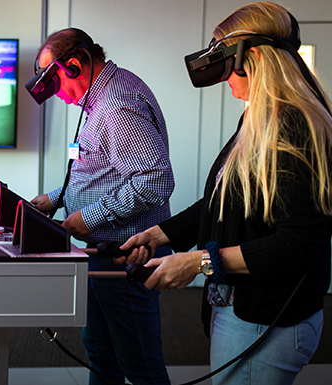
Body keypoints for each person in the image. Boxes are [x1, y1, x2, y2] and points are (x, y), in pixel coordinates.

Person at [121, 2, 332, 384]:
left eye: (223, 59)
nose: (220, 76)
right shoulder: (259, 117)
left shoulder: (293, 128)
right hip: (243, 310)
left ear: (250, 58)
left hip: (267, 318)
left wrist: (199, 262)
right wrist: (159, 235)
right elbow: (226, 198)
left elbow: (299, 244)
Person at [28, 28, 174, 385]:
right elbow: (100, 170)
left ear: (75, 65)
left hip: (125, 256)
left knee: (139, 363)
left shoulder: (116, 106)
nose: (59, 95)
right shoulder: (101, 99)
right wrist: (56, 197)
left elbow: (155, 180)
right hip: (103, 251)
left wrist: (87, 217)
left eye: (58, 83)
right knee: (101, 351)